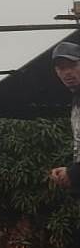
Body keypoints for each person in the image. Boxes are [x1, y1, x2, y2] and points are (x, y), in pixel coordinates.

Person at [49, 41, 80, 192]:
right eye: (61, 68)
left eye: (72, 65)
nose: (67, 72)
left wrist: (73, 173)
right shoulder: (76, 98)